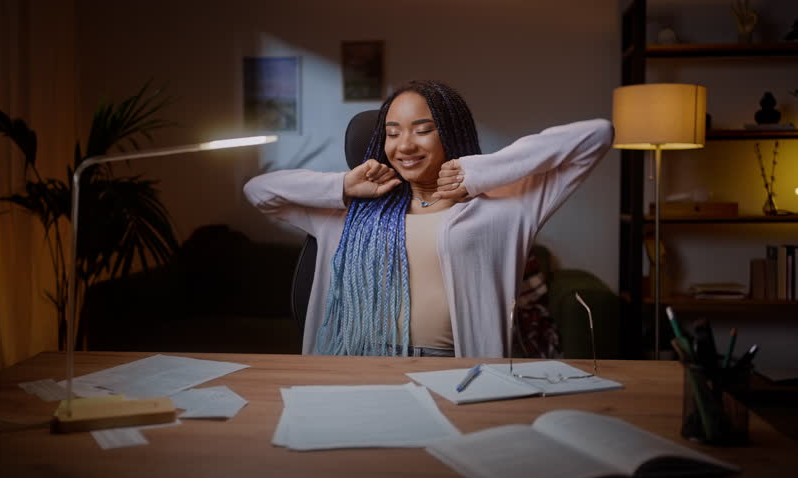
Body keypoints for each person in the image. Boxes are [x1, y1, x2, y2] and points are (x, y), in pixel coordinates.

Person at [244, 80, 613, 358]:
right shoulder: (348, 213)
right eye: (392, 133)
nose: (405, 145)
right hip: (358, 360)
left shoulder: (503, 209)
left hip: (454, 369)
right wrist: (343, 185)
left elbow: (596, 135)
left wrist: (477, 174)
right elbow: (259, 190)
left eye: (422, 130)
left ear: (451, 134)